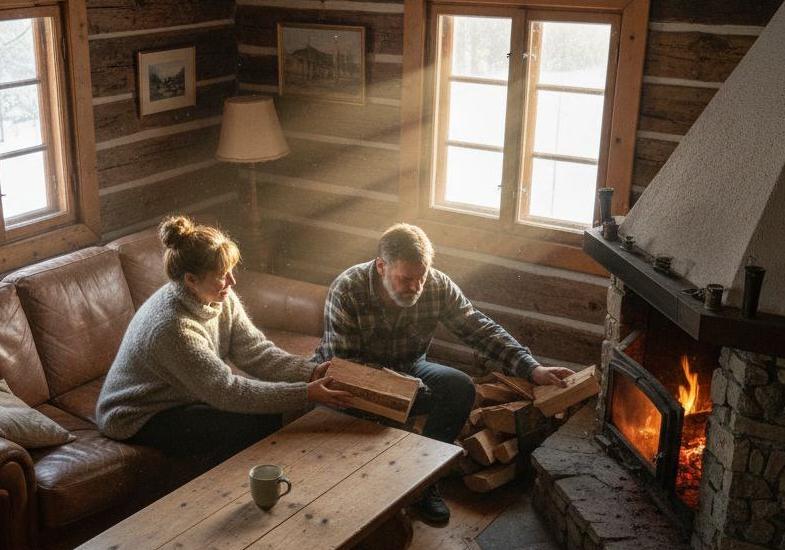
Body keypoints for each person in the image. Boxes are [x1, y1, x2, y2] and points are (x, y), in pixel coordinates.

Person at [315, 223, 573, 525]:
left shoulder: (436, 286)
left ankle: (423, 481)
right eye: (406, 279)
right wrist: (400, 389)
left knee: (459, 388)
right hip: (345, 381)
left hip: (408, 369)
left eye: (421, 277)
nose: (415, 287)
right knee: (374, 423)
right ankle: (376, 499)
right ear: (381, 267)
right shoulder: (348, 288)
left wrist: (533, 368)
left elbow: (480, 329)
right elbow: (346, 365)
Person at [97, 216, 349, 462]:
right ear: (191, 280)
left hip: (183, 395)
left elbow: (255, 351)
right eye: (222, 274)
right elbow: (227, 391)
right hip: (140, 415)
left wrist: (310, 372)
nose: (232, 281)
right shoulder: (172, 329)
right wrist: (306, 393)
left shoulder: (218, 297)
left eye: (230, 271)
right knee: (248, 422)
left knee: (263, 410)